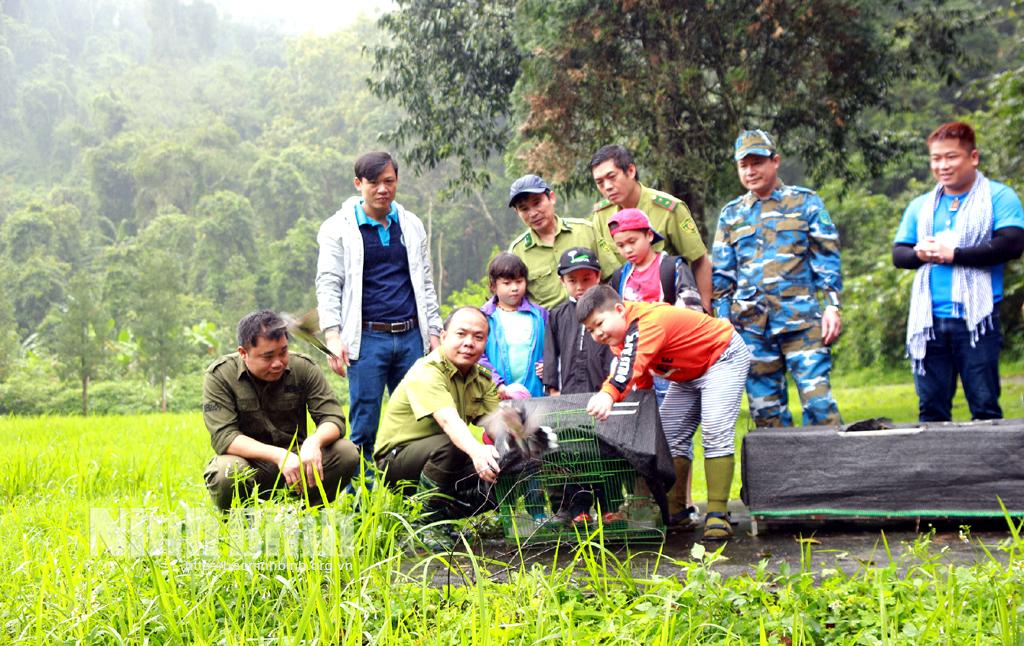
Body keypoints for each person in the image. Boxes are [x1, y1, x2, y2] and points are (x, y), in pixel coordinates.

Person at [579, 285, 750, 541]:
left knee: (715, 430)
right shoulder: (620, 338)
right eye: (591, 330)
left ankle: (717, 513)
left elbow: (631, 365)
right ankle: (675, 511)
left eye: (599, 324)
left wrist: (608, 393)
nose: (597, 334)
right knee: (667, 437)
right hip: (686, 374)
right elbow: (643, 375)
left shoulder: (648, 322)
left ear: (619, 309)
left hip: (721, 357)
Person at [892, 121, 1024, 422]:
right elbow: (899, 254)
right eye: (936, 158)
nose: (943, 165)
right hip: (929, 321)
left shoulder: (999, 197)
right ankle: (936, 470)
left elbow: (1012, 244)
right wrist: (920, 254)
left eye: (951, 157)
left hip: (977, 318)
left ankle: (992, 471)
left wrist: (955, 255)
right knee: (931, 408)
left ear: (973, 157)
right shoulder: (921, 205)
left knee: (985, 405)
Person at [315, 151, 443, 460]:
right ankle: (362, 497)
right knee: (365, 423)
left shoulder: (410, 224)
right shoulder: (338, 228)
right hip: (367, 338)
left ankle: (409, 489)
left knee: (418, 418)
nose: (382, 189)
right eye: (373, 182)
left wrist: (435, 332)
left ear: (397, 181)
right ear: (358, 184)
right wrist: (333, 336)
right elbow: (328, 283)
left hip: (412, 335)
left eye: (389, 181)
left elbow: (425, 282)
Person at [712, 129, 843, 428]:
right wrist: (723, 321)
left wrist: (833, 306)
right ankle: (783, 476)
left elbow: (826, 258)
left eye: (757, 162)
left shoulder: (805, 203)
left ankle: (835, 473)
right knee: (767, 417)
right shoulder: (731, 215)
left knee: (820, 406)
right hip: (752, 329)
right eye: (743, 165)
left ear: (775, 161)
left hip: (802, 324)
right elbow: (721, 275)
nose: (750, 170)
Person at [202, 310, 360, 511]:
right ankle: (240, 527)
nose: (277, 363)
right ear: (243, 353)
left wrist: (314, 442)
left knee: (345, 452)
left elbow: (333, 418)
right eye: (267, 356)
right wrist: (279, 456)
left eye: (283, 352)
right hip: (251, 464)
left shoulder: (303, 367)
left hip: (299, 462)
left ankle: (311, 516)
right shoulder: (220, 375)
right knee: (227, 471)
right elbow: (224, 436)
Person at [605, 207, 702, 527]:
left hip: (673, 366)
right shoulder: (621, 277)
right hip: (638, 371)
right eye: (620, 245)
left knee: (677, 435)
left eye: (632, 241)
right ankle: (644, 507)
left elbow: (691, 310)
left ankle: (676, 508)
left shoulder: (671, 267)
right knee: (641, 436)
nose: (627, 250)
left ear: (650, 236)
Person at [374, 307, 501, 521]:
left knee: (506, 462)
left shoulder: (482, 380)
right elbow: (449, 421)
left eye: (478, 337)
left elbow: (499, 427)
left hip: (446, 459)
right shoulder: (427, 370)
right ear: (443, 337)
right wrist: (478, 453)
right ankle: (424, 522)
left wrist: (518, 451)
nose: (469, 343)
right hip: (397, 462)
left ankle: (445, 517)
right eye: (461, 334)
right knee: (451, 445)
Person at [590, 144, 712, 312]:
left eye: (612, 177)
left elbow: (699, 259)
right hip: (629, 311)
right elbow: (607, 274)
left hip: (672, 306)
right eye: (600, 182)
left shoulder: (668, 209)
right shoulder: (601, 216)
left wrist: (705, 311)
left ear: (631, 171)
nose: (607, 187)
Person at [507, 174, 618, 310]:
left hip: (595, 318)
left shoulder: (585, 231)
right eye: (524, 209)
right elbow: (513, 301)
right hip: (550, 326)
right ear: (517, 212)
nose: (533, 213)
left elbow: (613, 276)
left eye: (537, 203)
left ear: (551, 198)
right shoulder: (517, 252)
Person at [542, 247, 614, 397]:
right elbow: (550, 356)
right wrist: (552, 389)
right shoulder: (556, 315)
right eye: (572, 281)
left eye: (586, 279)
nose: (580, 287)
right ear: (562, 281)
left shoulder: (611, 311)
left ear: (598, 276)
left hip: (605, 394)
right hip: (567, 394)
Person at [479, 252, 548, 399]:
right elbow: (479, 356)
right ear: (493, 286)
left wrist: (547, 364)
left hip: (536, 393)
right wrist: (497, 383)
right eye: (507, 283)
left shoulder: (540, 315)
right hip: (497, 394)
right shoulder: (483, 317)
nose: (514, 288)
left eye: (519, 281)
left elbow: (552, 347)